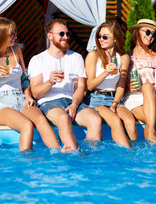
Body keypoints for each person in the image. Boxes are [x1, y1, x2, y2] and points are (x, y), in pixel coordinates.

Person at [0, 17, 60, 152]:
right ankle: (27, 161)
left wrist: (28, 95)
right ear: (0, 35)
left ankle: (58, 154)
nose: (15, 36)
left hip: (20, 98)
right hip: (3, 105)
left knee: (41, 119)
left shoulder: (16, 50)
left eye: (15, 32)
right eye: (12, 34)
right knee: (27, 125)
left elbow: (24, 78)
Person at [28, 19, 102, 152]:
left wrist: (74, 104)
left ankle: (92, 158)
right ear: (49, 35)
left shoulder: (76, 57)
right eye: (61, 34)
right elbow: (35, 93)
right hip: (49, 102)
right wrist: (50, 81)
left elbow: (80, 87)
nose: (66, 37)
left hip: (72, 101)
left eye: (68, 34)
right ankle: (74, 155)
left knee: (95, 119)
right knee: (63, 118)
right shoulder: (38, 60)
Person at [84, 20, 136, 148]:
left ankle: (138, 149)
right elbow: (89, 86)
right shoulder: (93, 55)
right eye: (99, 36)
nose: (101, 39)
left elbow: (121, 84)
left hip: (115, 99)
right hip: (96, 98)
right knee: (115, 120)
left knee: (130, 121)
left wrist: (114, 104)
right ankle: (128, 154)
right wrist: (105, 73)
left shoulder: (123, 57)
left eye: (105, 37)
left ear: (116, 39)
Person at [121, 19, 156, 144]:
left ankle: (151, 134)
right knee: (151, 118)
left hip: (154, 98)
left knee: (148, 86)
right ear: (137, 32)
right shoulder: (126, 56)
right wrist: (128, 88)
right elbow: (118, 83)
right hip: (132, 99)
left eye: (154, 34)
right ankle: (151, 141)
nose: (150, 37)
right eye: (147, 32)